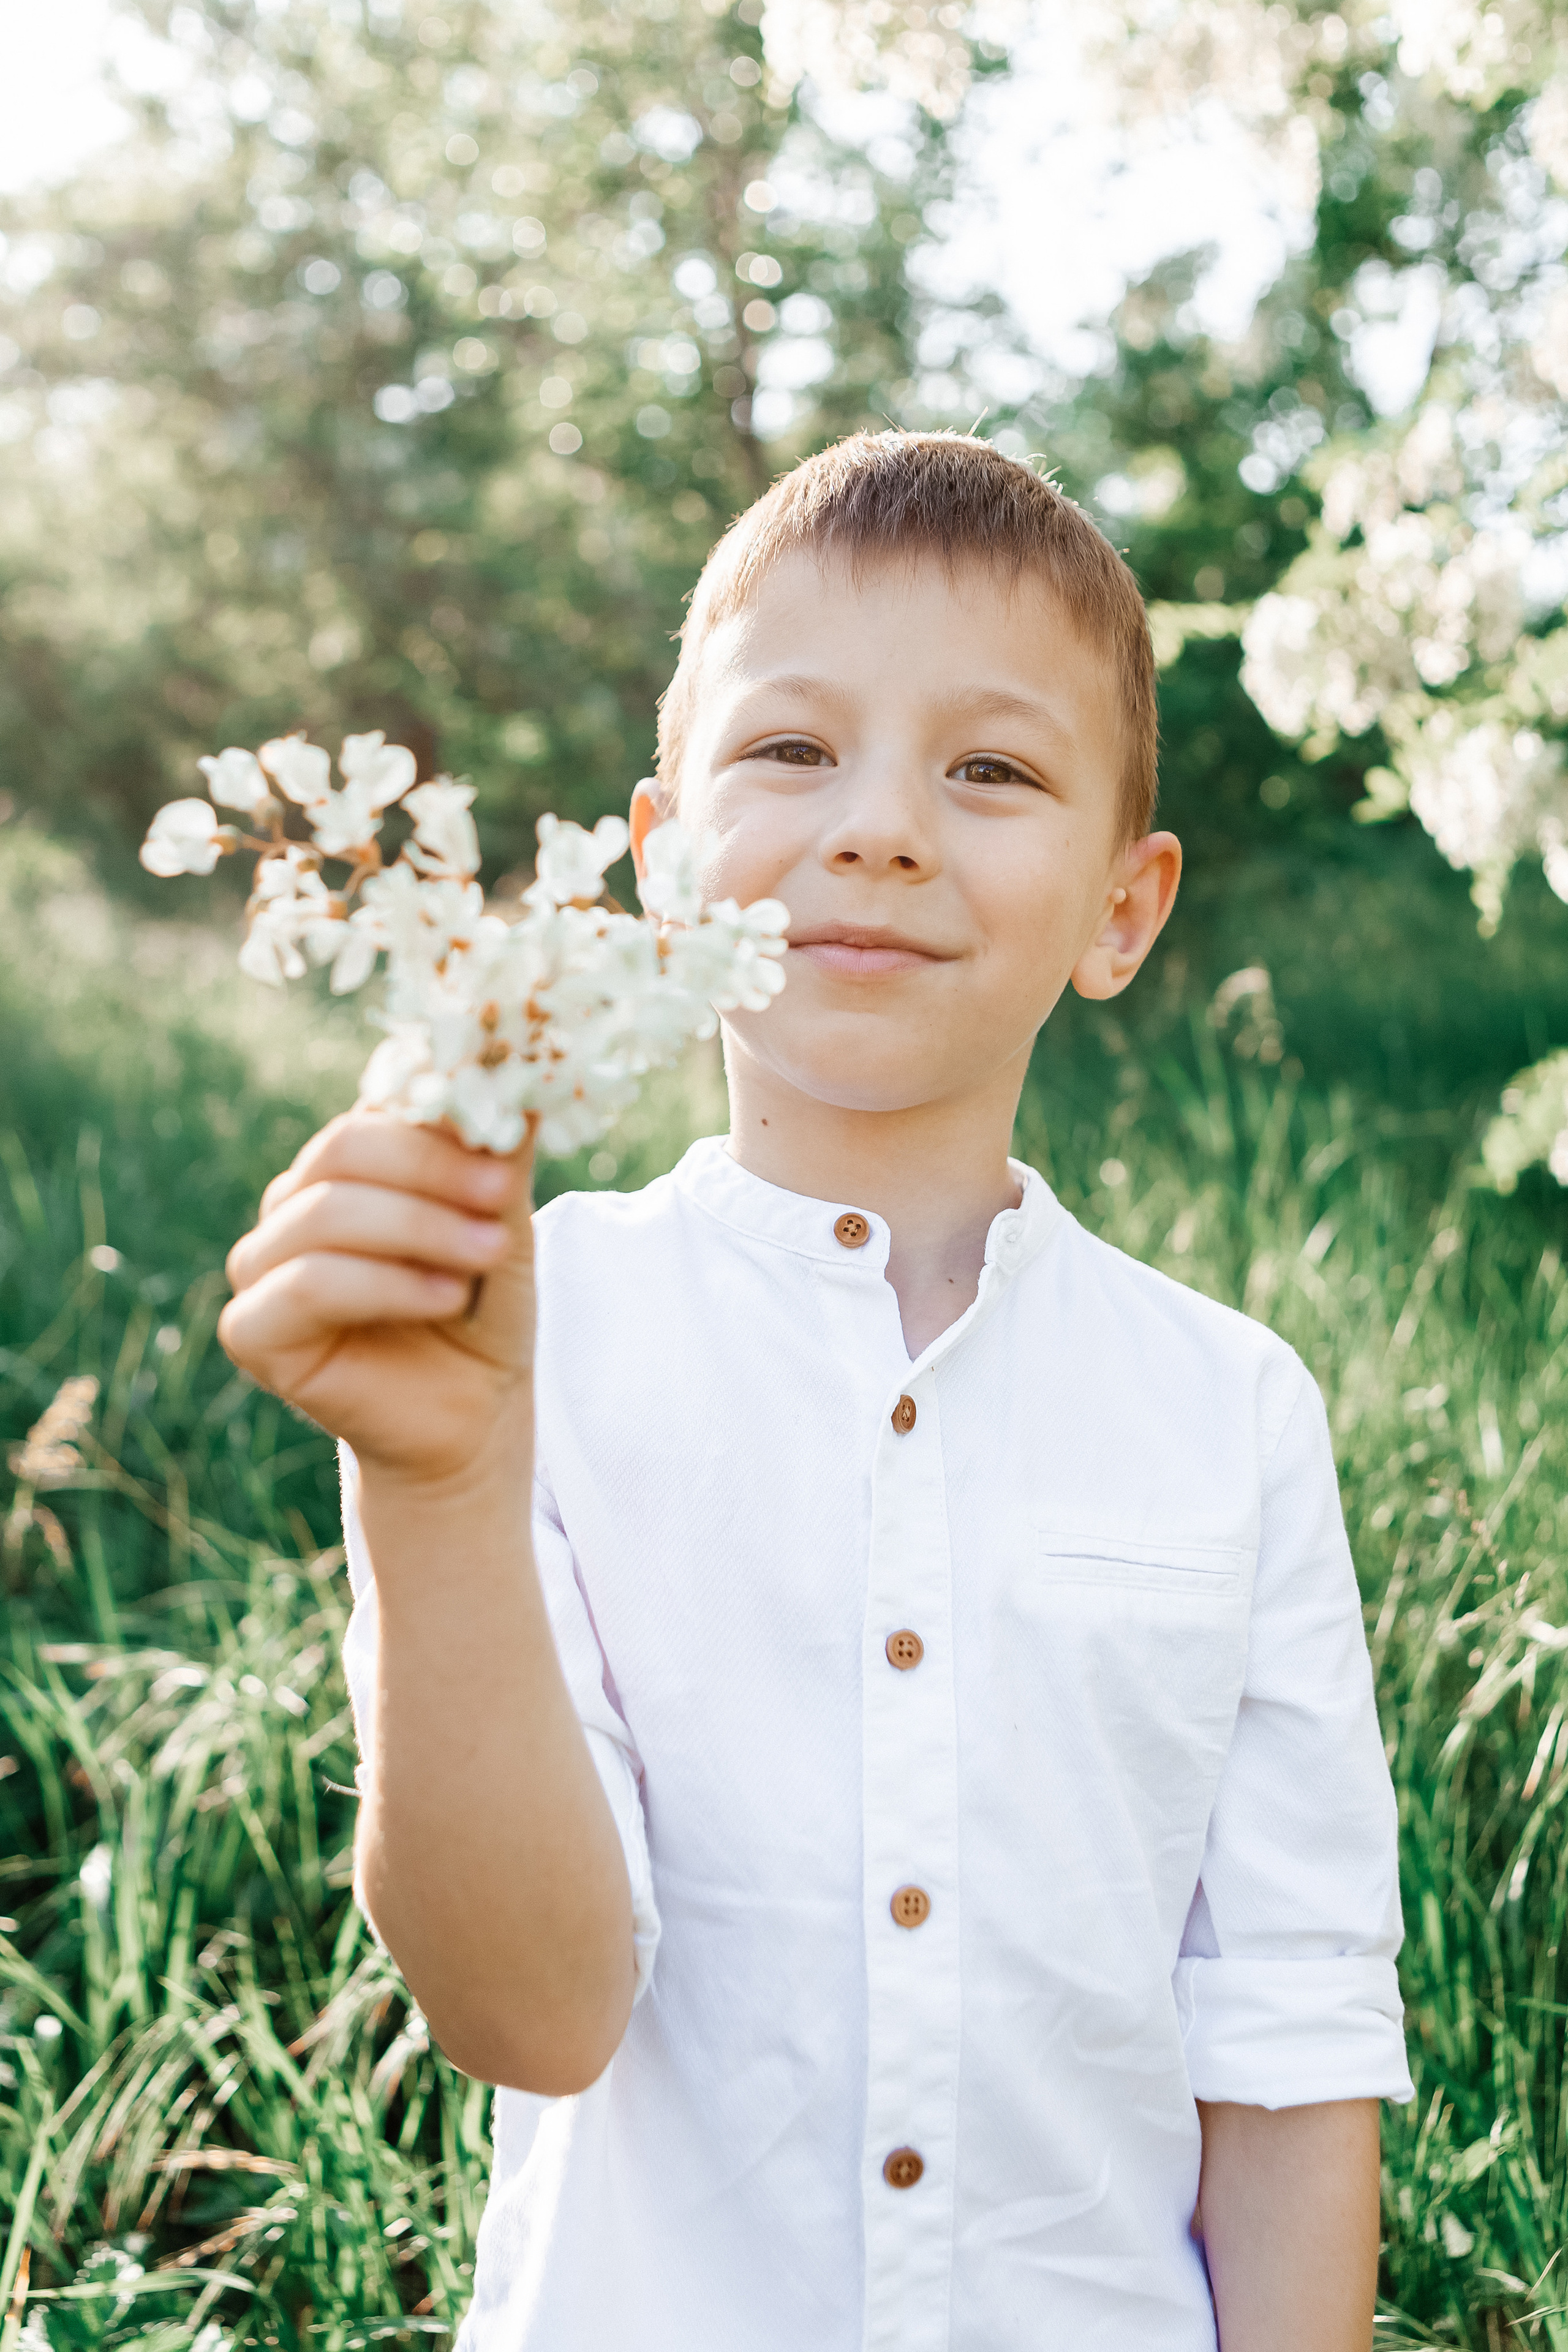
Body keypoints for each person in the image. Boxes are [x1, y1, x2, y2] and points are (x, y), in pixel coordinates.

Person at [219, 431, 1412, 2350]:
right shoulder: (523, 1330)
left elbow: (1283, 2047)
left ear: (1126, 906)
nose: (878, 827)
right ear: (658, 853)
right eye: (791, 751)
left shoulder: (1234, 1409)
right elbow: (532, 2015)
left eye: (993, 770)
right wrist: (432, 1494)